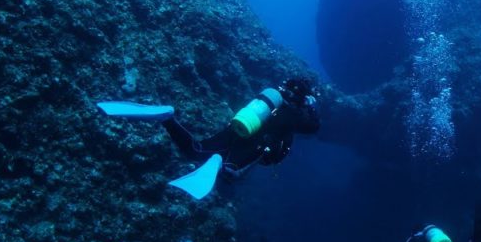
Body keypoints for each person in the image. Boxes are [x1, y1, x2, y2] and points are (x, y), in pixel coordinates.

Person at [97, 77, 320, 199]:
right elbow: (313, 127)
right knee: (230, 173)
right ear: (303, 98)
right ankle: (220, 162)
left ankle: (168, 118)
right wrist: (311, 107)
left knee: (194, 150)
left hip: (238, 126)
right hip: (254, 144)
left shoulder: (269, 99)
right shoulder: (296, 115)